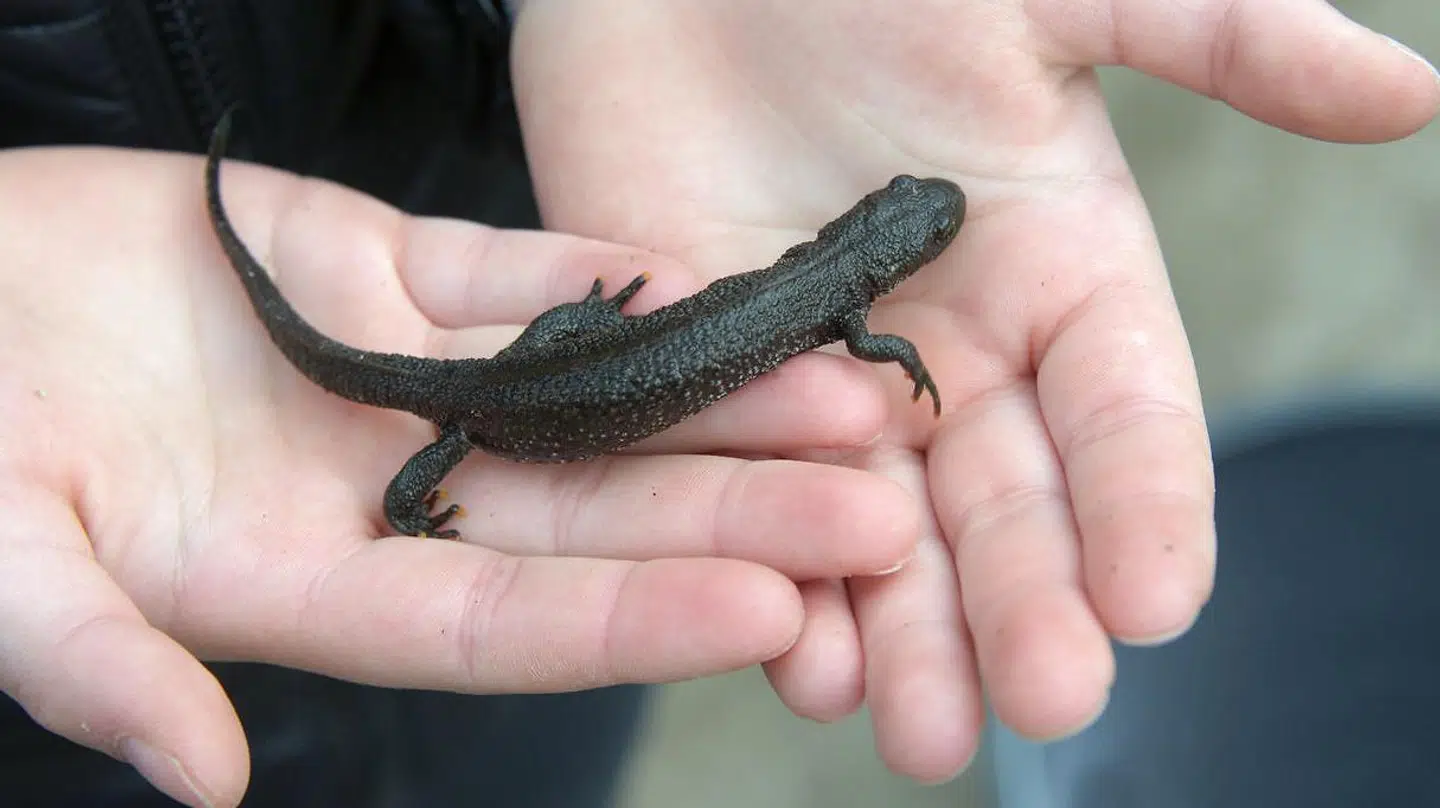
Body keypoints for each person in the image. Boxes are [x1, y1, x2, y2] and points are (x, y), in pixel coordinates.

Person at [0, 1, 1434, 806]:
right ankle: (414, 495)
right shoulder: (842, 307)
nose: (918, 233)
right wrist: (906, 361)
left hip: (509, 329)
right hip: (502, 399)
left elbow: (847, 318)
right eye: (915, 232)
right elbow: (871, 350)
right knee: (446, 439)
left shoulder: (824, 275)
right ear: (878, 252)